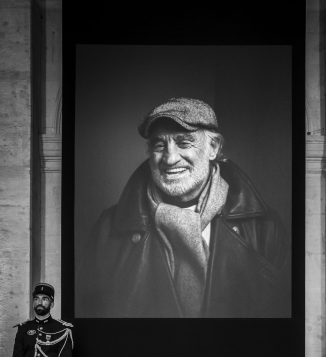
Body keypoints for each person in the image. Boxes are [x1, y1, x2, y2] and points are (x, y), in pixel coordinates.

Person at [76, 97, 288, 318]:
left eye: (184, 143)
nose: (170, 158)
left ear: (213, 148)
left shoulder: (264, 226)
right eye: (159, 145)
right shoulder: (108, 228)